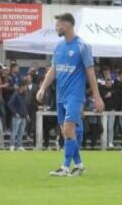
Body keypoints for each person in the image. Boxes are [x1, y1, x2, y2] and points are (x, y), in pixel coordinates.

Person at [36, 12, 104, 177]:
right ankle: (79, 166)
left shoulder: (82, 46)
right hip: (61, 96)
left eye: (58, 24)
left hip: (75, 96)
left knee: (68, 130)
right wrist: (43, 88)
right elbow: (53, 69)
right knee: (67, 132)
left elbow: (90, 73)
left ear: (67, 25)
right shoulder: (59, 46)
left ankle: (65, 167)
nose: (56, 28)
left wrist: (97, 97)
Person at [7, 80, 30, 151]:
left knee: (21, 132)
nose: (26, 88)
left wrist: (27, 114)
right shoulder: (16, 94)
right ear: (22, 86)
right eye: (26, 86)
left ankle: (19, 145)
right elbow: (10, 104)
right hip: (17, 116)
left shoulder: (25, 94)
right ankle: (12, 145)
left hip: (23, 116)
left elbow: (25, 105)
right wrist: (15, 113)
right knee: (14, 132)